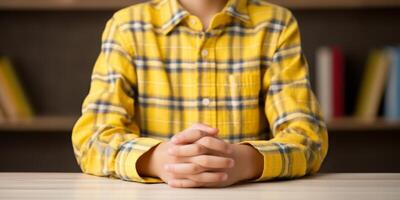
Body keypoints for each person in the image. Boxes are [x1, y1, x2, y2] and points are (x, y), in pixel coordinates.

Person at [71, 0, 328, 188]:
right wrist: (157, 160)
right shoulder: (126, 28)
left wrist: (243, 162)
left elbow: (308, 139)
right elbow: (92, 139)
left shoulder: (276, 25)